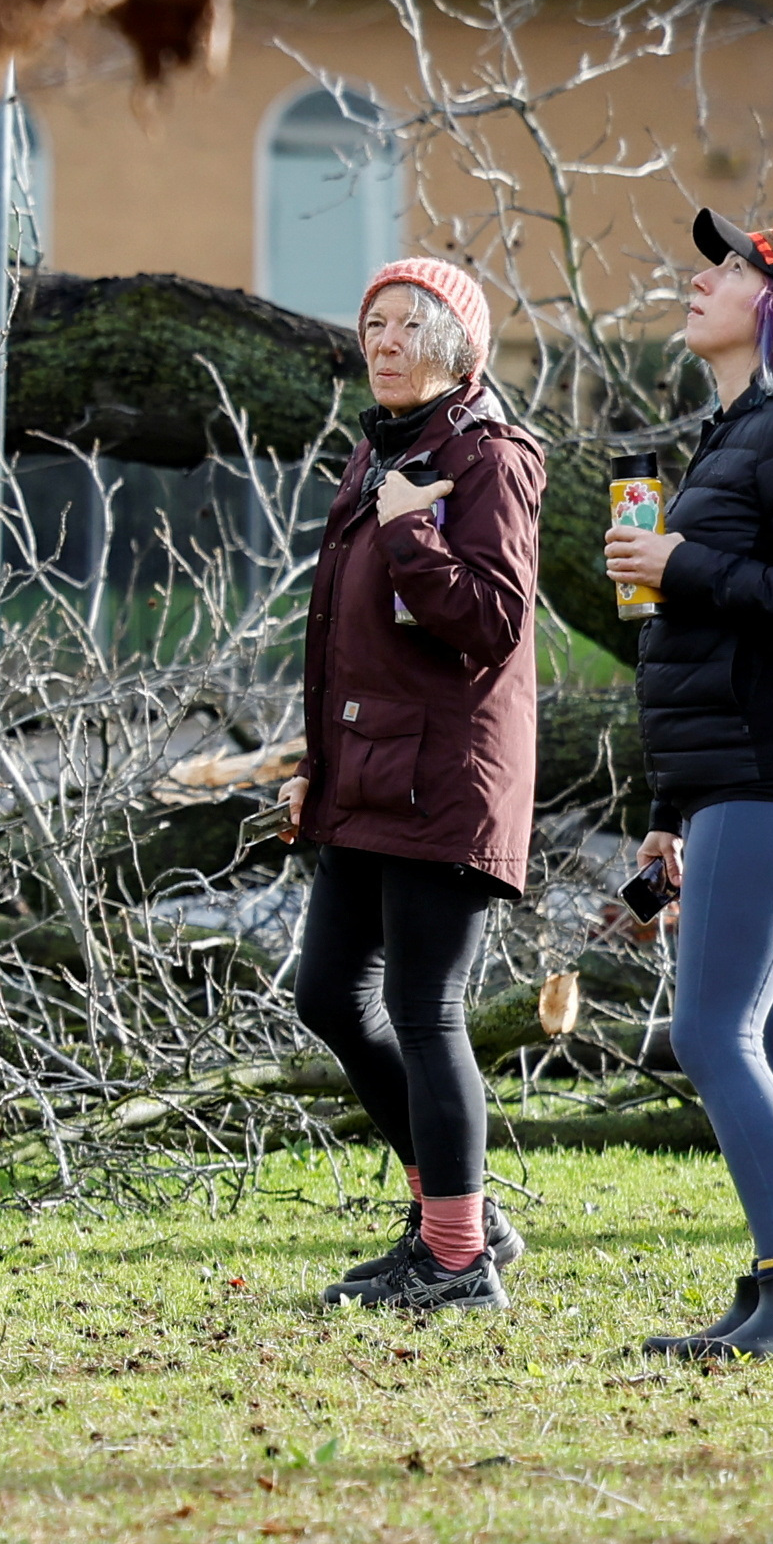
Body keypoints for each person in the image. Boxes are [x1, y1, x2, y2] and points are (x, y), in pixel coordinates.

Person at [602, 210, 773, 1366]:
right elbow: (692, 652)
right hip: (734, 779)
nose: (698, 279)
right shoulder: (729, 437)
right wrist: (667, 814)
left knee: (708, 1033)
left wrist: (683, 564)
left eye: (727, 271)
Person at [275, 255, 550, 1313]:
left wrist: (407, 527)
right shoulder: (381, 451)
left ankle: (454, 1257)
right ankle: (453, 1212)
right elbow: (341, 646)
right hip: (368, 766)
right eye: (373, 323)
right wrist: (316, 767)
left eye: (408, 324)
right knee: (326, 993)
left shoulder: (488, 455)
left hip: (447, 774)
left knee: (421, 1004)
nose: (382, 341)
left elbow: (488, 621)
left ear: (462, 347)